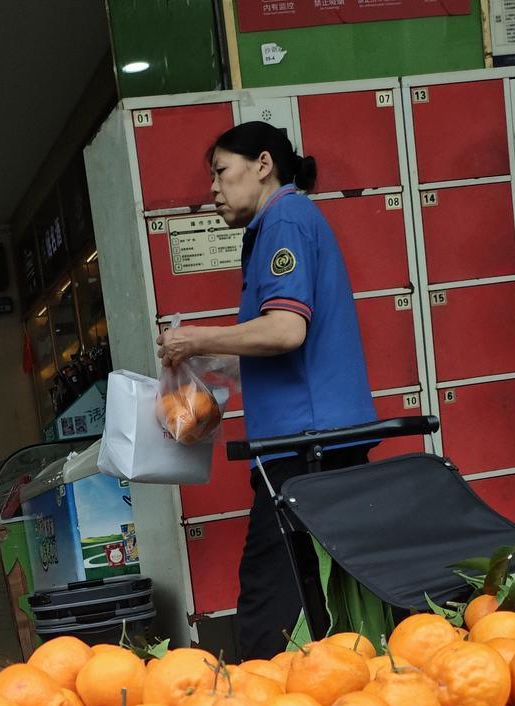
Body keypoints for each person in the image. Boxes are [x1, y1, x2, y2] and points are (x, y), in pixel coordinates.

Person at [157, 121, 375, 660]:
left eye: (220, 172)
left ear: (262, 164)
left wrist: (195, 338)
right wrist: (206, 367)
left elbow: (285, 330)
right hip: (307, 442)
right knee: (313, 601)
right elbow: (278, 340)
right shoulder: (276, 224)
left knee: (269, 606)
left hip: (308, 447)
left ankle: (262, 704)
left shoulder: (286, 219)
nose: (213, 189)